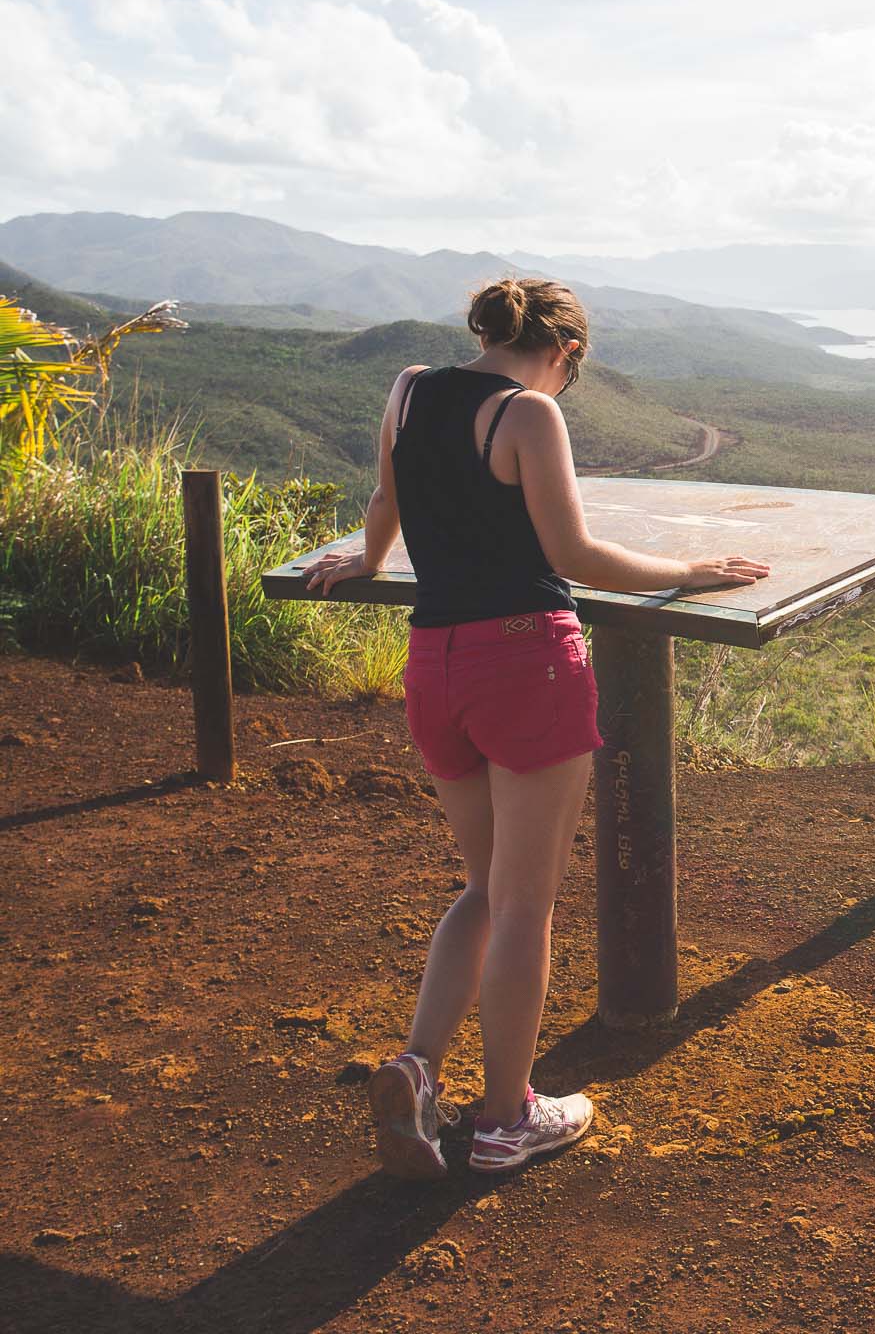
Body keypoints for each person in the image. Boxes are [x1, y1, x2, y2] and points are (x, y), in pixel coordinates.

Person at [302, 277, 771, 1179]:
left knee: (482, 888)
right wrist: (691, 570)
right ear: (566, 354)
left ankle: (416, 1067)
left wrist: (364, 561)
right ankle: (509, 1117)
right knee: (525, 904)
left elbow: (384, 504)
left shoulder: (407, 388)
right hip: (526, 662)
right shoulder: (528, 415)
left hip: (433, 663)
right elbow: (575, 556)